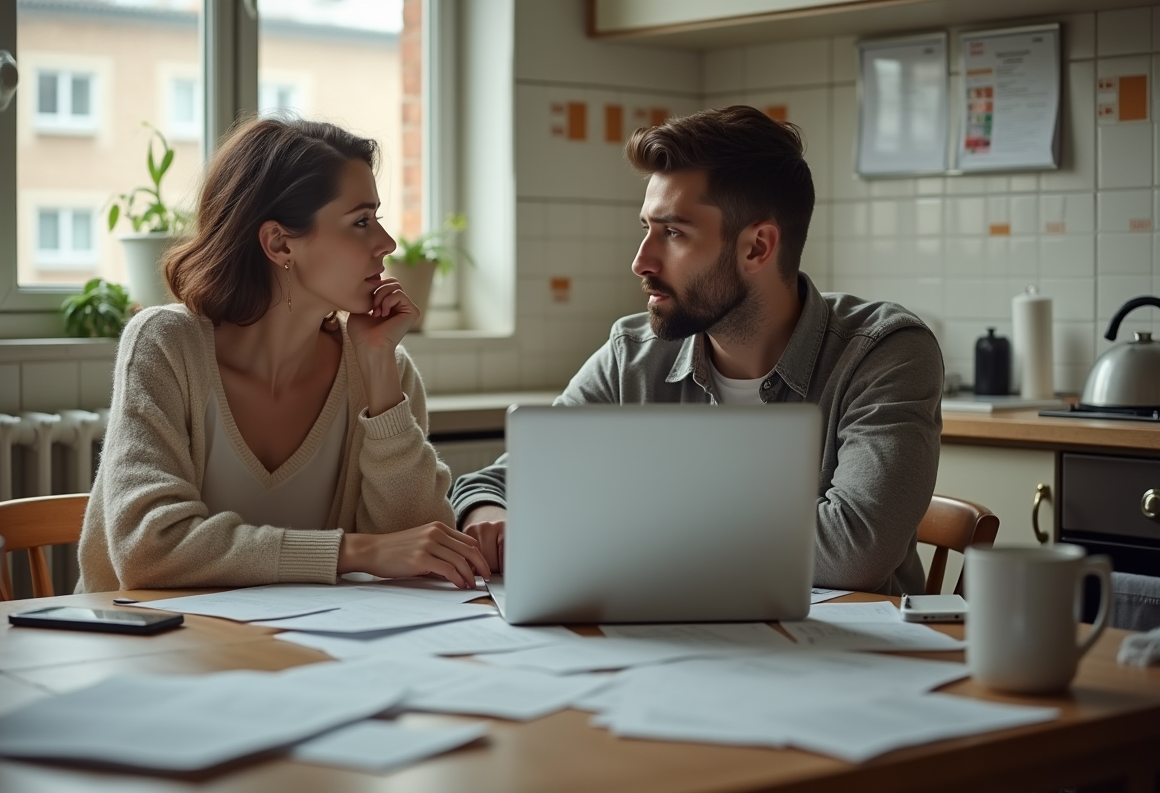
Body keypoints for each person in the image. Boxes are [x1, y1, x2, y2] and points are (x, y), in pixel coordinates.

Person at [450, 106, 943, 596]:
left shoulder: (885, 353)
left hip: (854, 662)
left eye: (673, 233)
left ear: (757, 247)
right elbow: (491, 485)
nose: (641, 261)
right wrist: (490, 516)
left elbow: (854, 551)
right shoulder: (632, 357)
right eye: (646, 227)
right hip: (673, 651)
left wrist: (623, 524)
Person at [77, 118, 490, 593]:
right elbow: (149, 550)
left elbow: (422, 548)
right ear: (279, 243)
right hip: (151, 649)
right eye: (360, 222)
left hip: (301, 652)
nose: (386, 243)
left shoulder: (385, 369)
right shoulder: (167, 346)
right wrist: (351, 552)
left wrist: (380, 380)